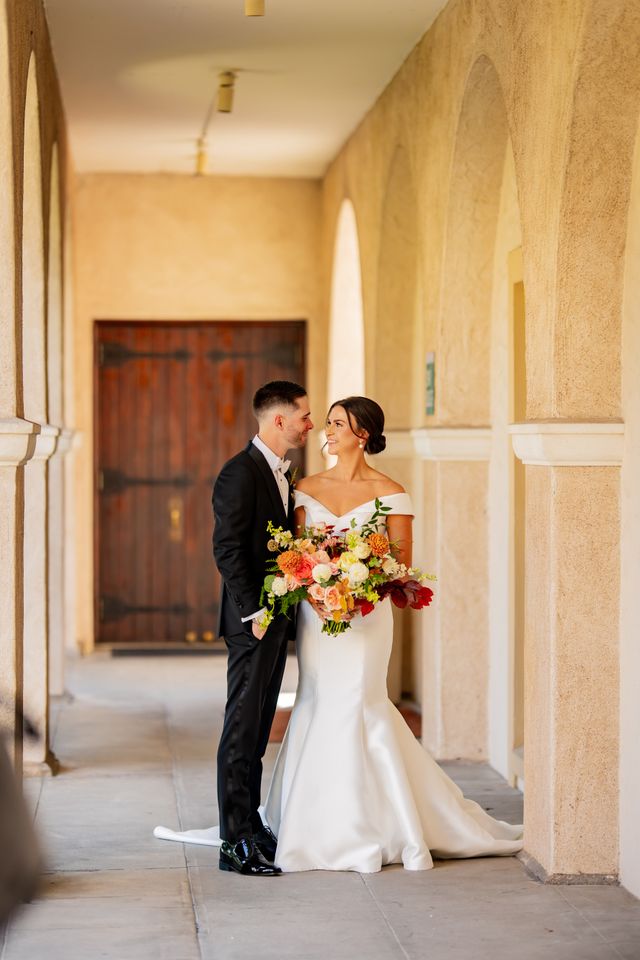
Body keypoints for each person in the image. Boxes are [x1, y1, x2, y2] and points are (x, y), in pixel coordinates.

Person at [262, 396, 523, 872]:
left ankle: (381, 822)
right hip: (317, 616)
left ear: (362, 434)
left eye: (339, 423)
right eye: (328, 423)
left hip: (366, 616)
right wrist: (315, 591)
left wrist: (357, 585)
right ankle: (308, 820)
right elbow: (297, 554)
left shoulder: (392, 492)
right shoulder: (305, 489)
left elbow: (399, 565)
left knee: (362, 703)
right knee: (317, 700)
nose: (329, 430)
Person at [212, 380, 313, 877]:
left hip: (275, 617)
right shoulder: (239, 473)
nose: (309, 425)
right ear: (279, 420)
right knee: (241, 730)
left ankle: (250, 827)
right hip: (252, 621)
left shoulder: (282, 473)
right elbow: (227, 549)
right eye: (304, 416)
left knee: (256, 734)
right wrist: (254, 614)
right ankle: (234, 844)